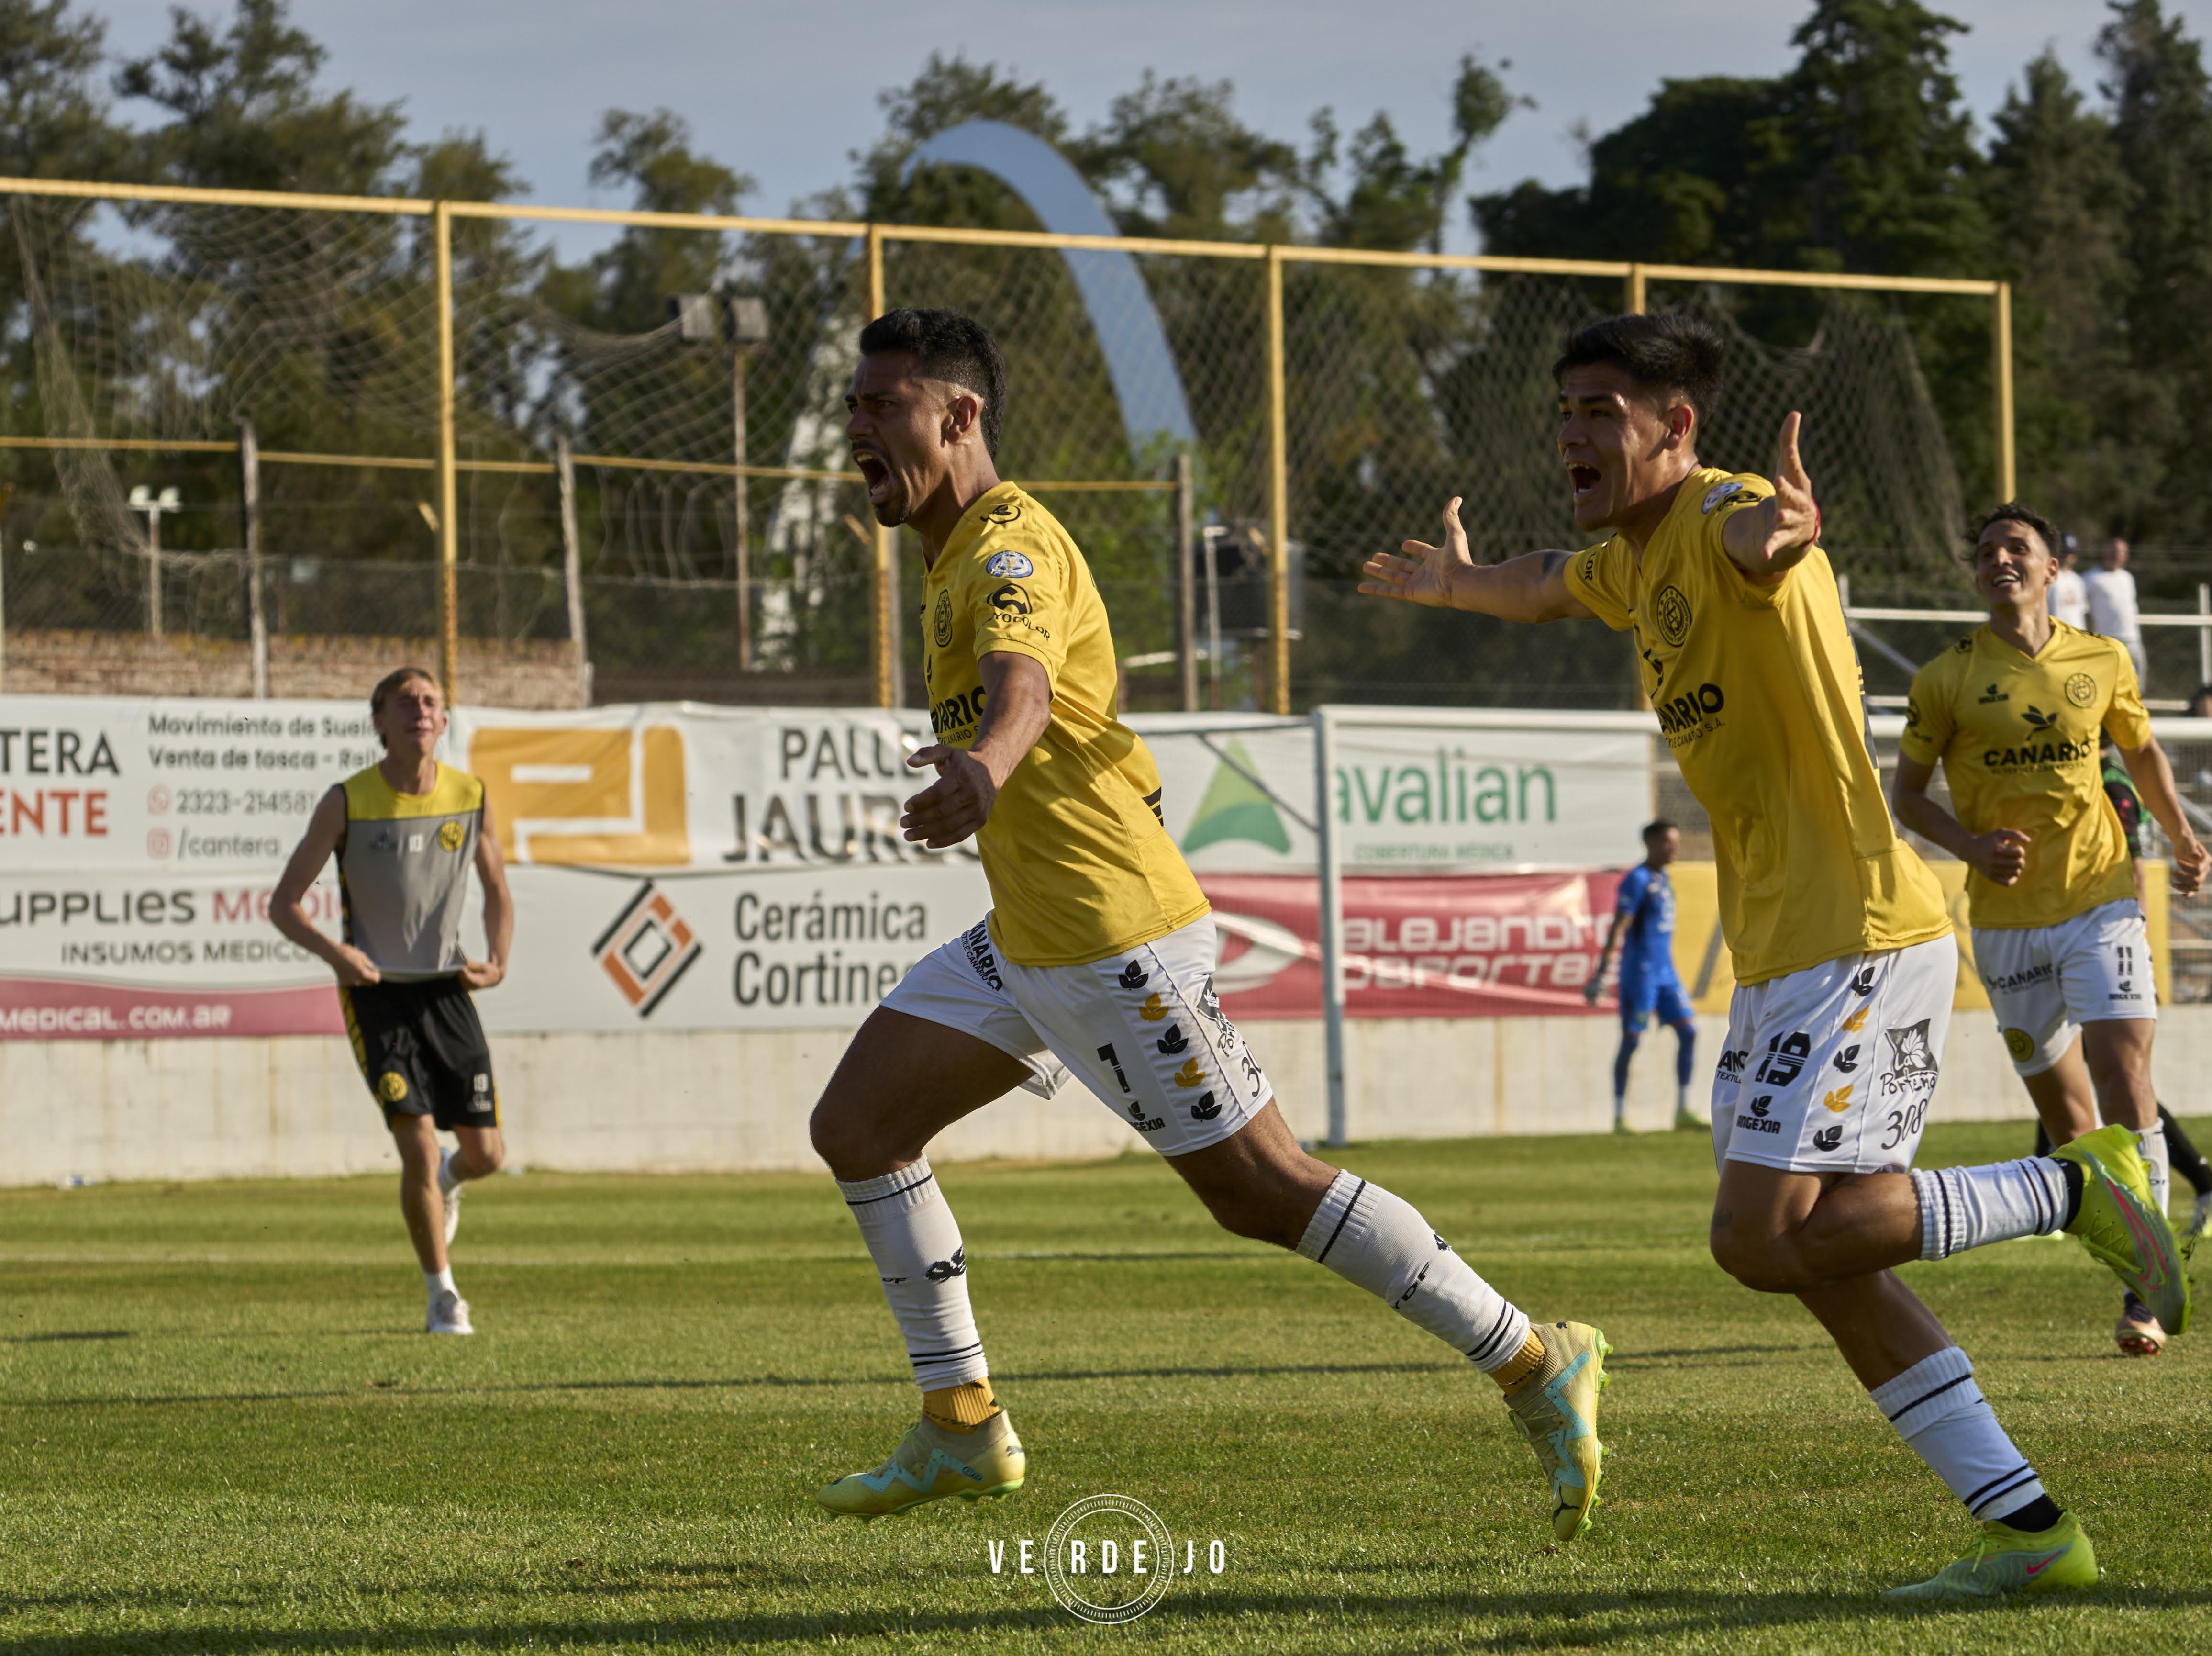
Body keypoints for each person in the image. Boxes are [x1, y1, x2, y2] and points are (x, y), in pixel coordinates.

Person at [1360, 311, 2189, 1601]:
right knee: (1821, 1257)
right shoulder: (1632, 562)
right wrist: (1453, 585)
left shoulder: (1721, 516)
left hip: (1853, 934)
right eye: (1563, 411)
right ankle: (2027, 1529)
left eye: (1598, 411)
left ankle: (2073, 1190)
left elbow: (1764, 539)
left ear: (1674, 426)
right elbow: (1542, 580)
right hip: (1787, 952)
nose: (1571, 433)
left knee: (1756, 1239)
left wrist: (1782, 531)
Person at [806, 307, 1611, 1541]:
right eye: (853, 405)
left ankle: (1534, 1360)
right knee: (860, 1125)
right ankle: (960, 1423)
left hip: (1112, 939)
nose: (856, 427)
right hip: (1028, 938)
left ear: (958, 415)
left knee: (1263, 1188)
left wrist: (985, 768)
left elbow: (1023, 686)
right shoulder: (948, 551)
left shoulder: (1007, 547)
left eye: (882, 405)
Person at [1891, 504, 2208, 1360]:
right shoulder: (1945, 677)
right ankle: (2134, 1247)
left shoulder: (2100, 660)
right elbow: (1905, 794)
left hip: (2102, 900)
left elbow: (2141, 754)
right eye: (1985, 551)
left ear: (2051, 567)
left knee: (2122, 1074)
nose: (1998, 559)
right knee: (2070, 1126)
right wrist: (1968, 846)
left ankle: (2146, 1286)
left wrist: (2181, 838)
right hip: (2004, 925)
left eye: (2016, 547)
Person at [271, 667, 512, 1335]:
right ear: (379, 721)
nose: (420, 711)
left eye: (431, 702)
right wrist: (337, 954)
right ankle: (443, 1297)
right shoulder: (346, 801)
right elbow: (284, 905)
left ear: (444, 720)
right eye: (405, 702)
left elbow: (498, 890)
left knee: (486, 1155)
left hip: (447, 989)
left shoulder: (471, 795)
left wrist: (498, 961)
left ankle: (450, 1183)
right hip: (375, 992)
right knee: (417, 1146)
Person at [1585, 819, 1699, 1132]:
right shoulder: (1637, 879)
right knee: (1632, 1041)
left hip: (1667, 973)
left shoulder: (1663, 879)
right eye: (1668, 842)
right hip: (1641, 975)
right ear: (1650, 843)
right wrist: (1602, 972)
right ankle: (1620, 1115)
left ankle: (1682, 1110)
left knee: (1689, 1032)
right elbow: (1619, 926)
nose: (1674, 848)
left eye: (1676, 842)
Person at [2081, 536, 2147, 691]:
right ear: (2105, 553)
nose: (2117, 555)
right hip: (2107, 640)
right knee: (2107, 685)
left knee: (2137, 685)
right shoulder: (2090, 578)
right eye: (2113, 551)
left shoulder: (2128, 578)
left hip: (2133, 639)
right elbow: (2084, 611)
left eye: (2122, 552)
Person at [2046, 536, 2088, 630]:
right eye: (2062, 553)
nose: (2065, 557)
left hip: (2077, 632)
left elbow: (2082, 612)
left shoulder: (2078, 580)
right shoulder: (2048, 577)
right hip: (2056, 631)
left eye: (2069, 553)